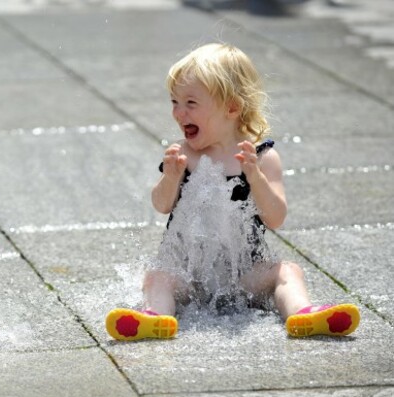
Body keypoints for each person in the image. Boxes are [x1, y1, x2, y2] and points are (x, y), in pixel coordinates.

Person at [105, 43, 360, 341]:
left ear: (231, 107)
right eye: (174, 101)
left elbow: (275, 218)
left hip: (245, 274)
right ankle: (155, 318)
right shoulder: (184, 155)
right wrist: (170, 178)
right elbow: (161, 205)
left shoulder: (261, 158)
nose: (178, 112)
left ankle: (303, 314)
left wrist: (256, 177)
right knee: (158, 276)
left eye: (190, 103)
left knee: (287, 271)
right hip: (190, 275)